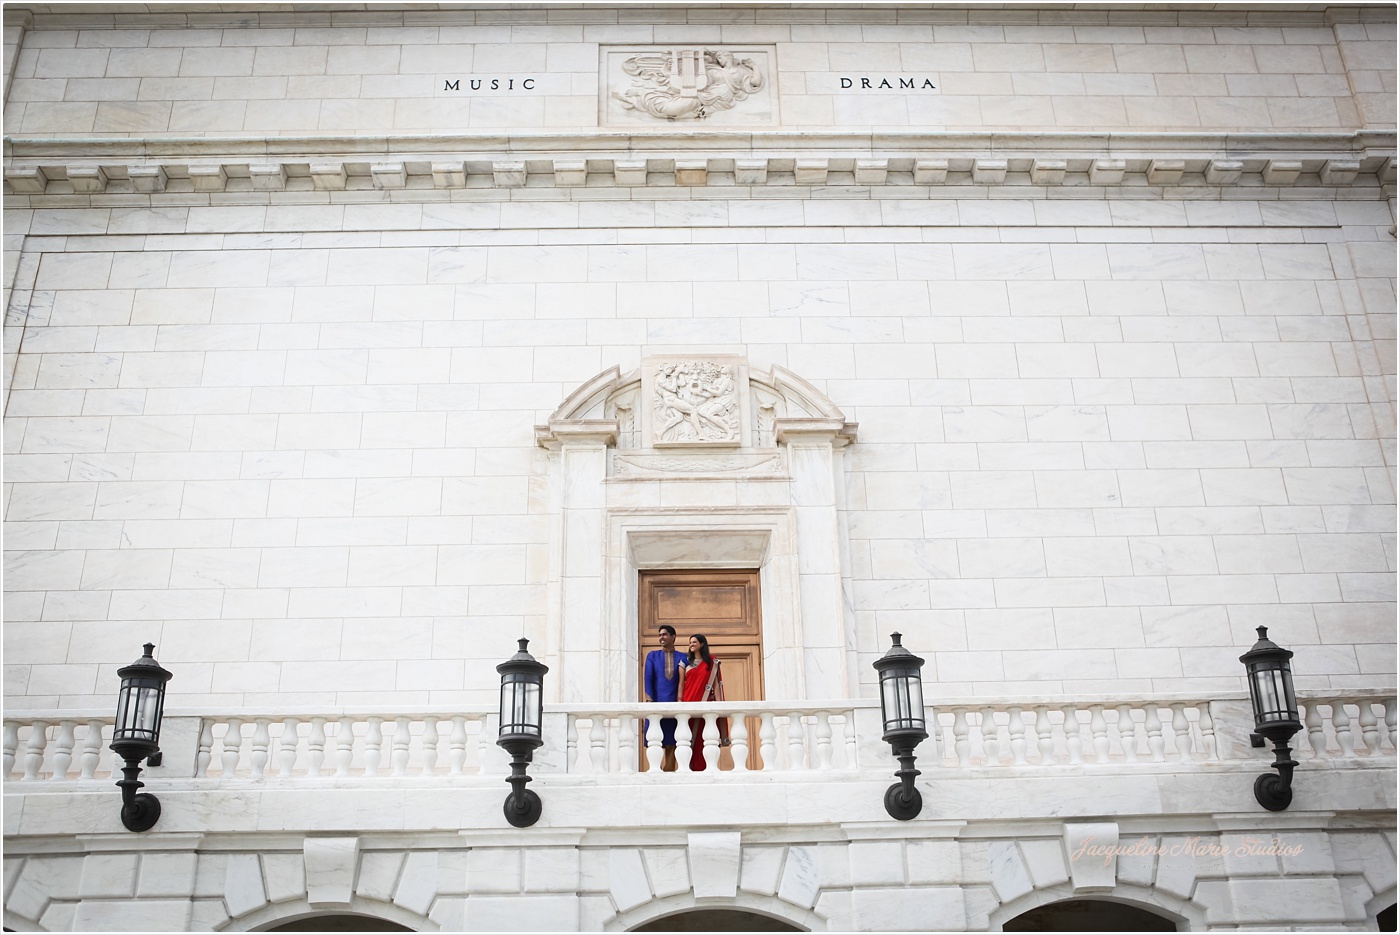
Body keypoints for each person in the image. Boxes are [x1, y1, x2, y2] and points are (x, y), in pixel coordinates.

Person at [642, 625, 687, 771]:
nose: (661, 637)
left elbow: (687, 680)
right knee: (654, 741)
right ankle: (655, 771)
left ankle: (668, 772)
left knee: (673, 741)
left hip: (675, 707)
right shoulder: (652, 656)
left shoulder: (683, 657)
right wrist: (650, 700)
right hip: (656, 705)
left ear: (674, 637)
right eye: (660, 635)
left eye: (665, 634)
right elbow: (648, 678)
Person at [680, 633, 726, 771]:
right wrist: (680, 700)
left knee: (703, 739)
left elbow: (716, 685)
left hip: (705, 705)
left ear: (702, 644)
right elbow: (681, 684)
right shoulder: (686, 662)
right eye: (690, 643)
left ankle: (704, 769)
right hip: (688, 705)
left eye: (694, 642)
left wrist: (719, 705)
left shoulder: (711, 662)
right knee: (688, 740)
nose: (691, 645)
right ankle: (689, 770)